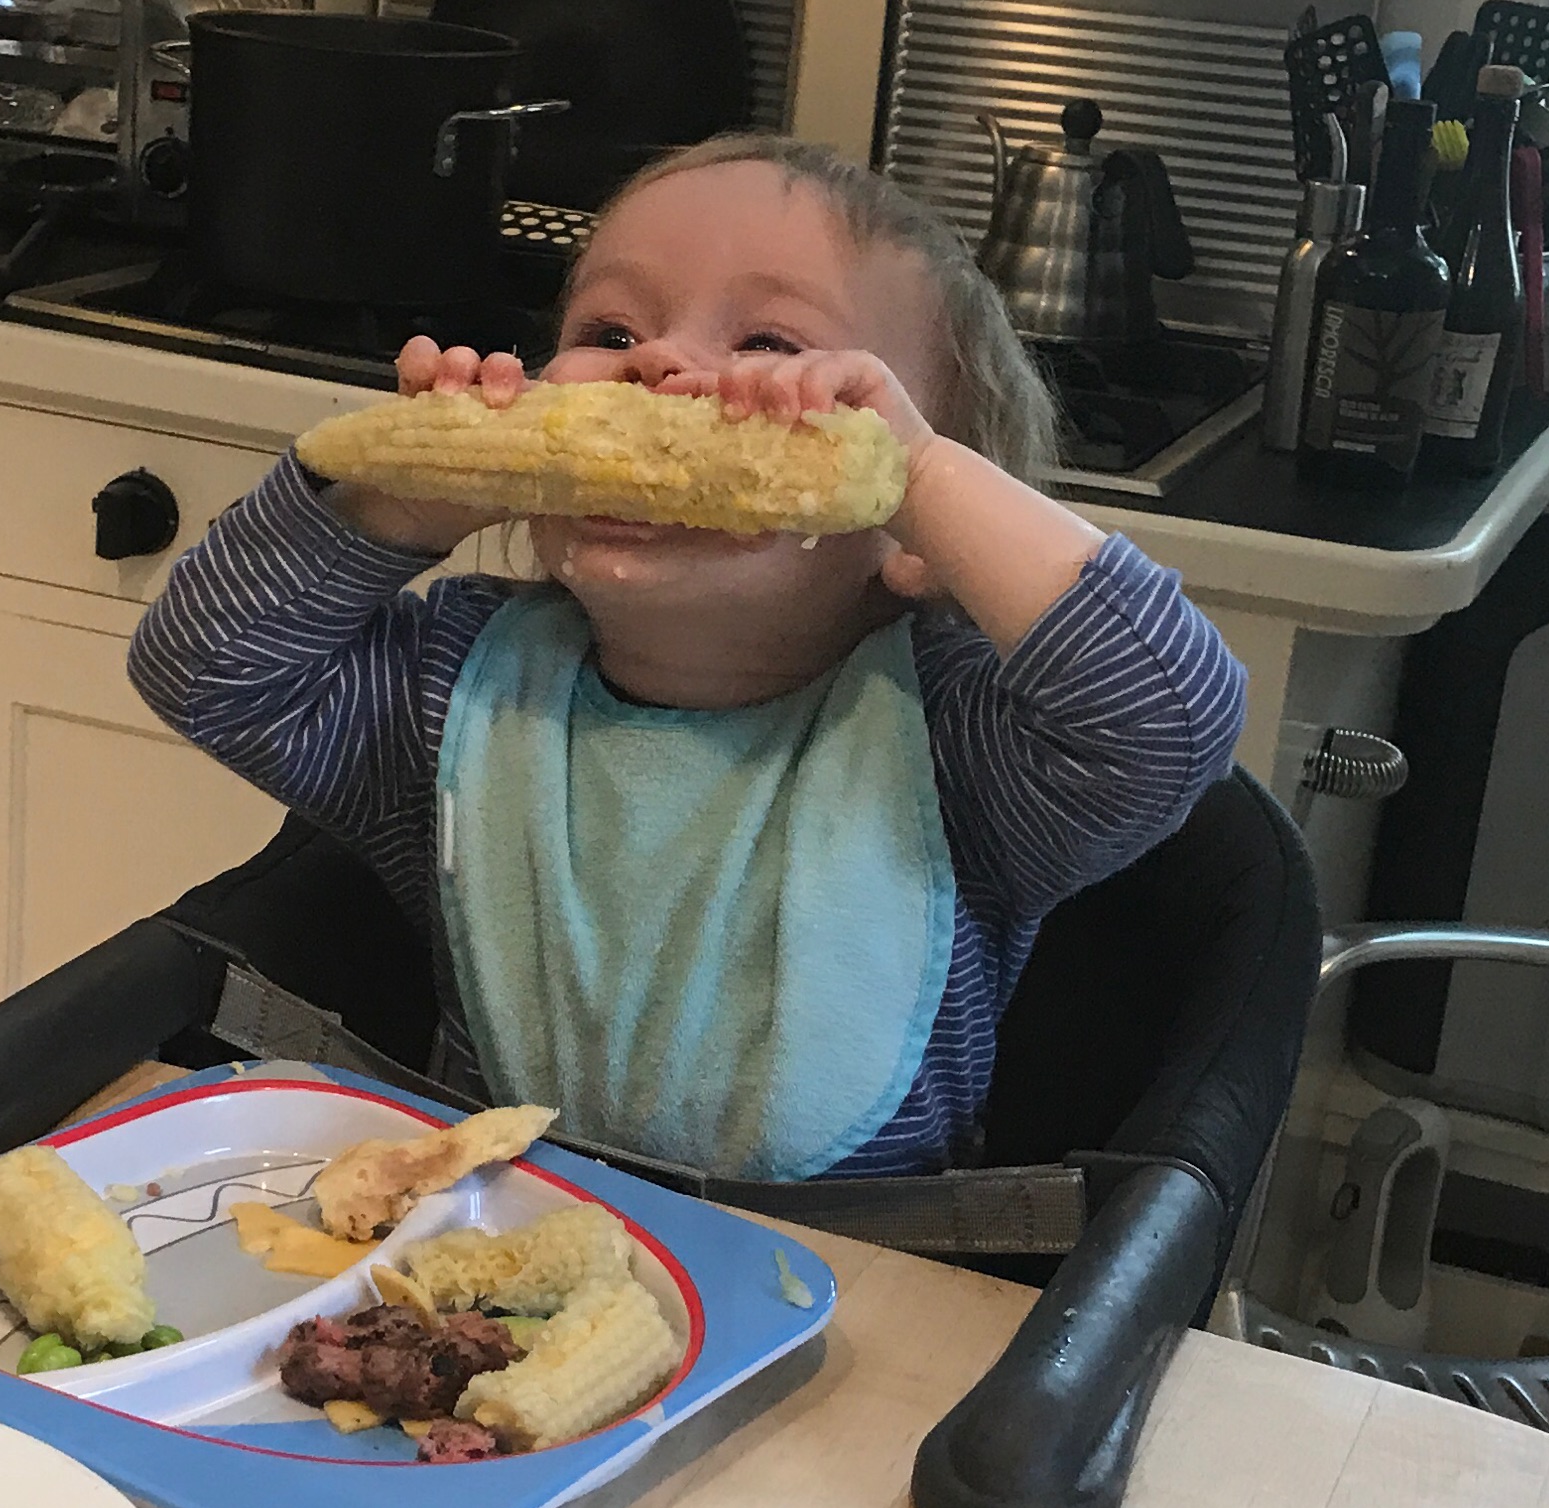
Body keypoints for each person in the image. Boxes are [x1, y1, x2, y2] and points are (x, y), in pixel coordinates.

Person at [128, 134, 1247, 1183]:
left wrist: (921, 477)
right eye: (610, 334)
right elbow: (204, 666)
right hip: (492, 1251)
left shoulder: (965, 749)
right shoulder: (454, 695)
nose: (661, 365)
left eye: (770, 347)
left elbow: (1171, 720)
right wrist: (408, 494)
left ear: (917, 542)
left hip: (859, 1283)